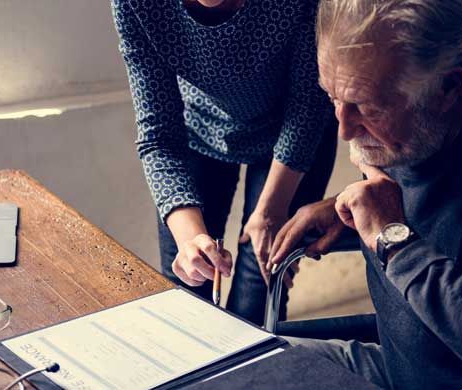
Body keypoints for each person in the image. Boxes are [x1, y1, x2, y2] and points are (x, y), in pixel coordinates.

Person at [269, 0, 462, 388]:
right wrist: (346, 211)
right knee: (239, 371)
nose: (345, 130)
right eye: (333, 98)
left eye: (366, 107)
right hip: (398, 369)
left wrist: (392, 239)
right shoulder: (403, 132)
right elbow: (443, 224)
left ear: (448, 87)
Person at [111, 0, 338, 325]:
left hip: (295, 135)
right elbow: (158, 134)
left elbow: (307, 103)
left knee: (258, 296)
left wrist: (272, 209)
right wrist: (191, 240)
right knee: (188, 291)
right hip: (200, 130)